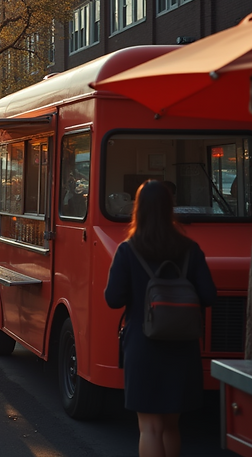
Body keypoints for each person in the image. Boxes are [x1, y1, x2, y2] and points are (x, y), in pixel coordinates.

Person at [104, 180, 216, 457]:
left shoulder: (128, 250)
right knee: (171, 426)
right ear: (170, 208)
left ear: (137, 210)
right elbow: (210, 295)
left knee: (150, 428)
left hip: (143, 346)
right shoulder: (190, 249)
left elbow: (113, 298)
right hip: (183, 346)